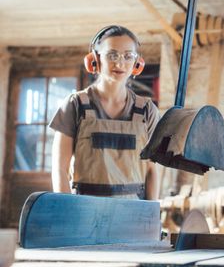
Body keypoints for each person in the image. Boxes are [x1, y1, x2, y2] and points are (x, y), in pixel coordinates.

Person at [50, 25, 159, 200]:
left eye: (128, 56)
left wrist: (151, 219)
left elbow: (152, 170)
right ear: (94, 60)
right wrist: (67, 214)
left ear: (137, 63)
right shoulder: (75, 105)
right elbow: (59, 169)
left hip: (131, 214)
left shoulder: (147, 110)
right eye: (112, 55)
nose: (120, 63)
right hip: (84, 210)